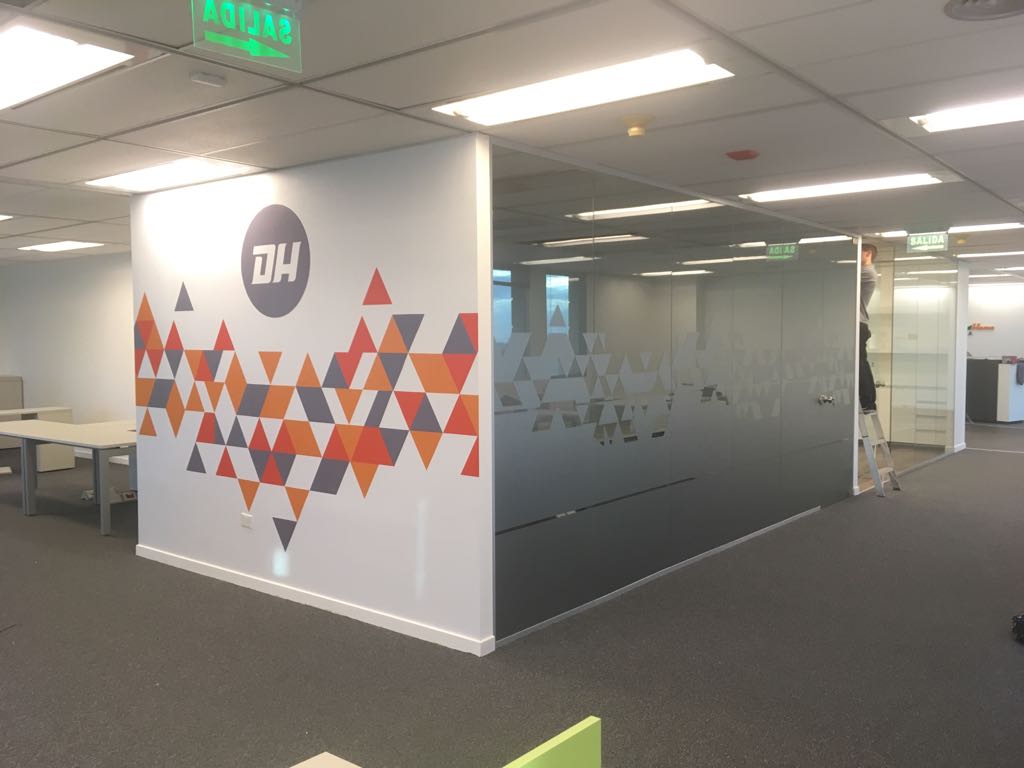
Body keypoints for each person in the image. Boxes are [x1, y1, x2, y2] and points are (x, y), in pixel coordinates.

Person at [859, 243, 878, 412]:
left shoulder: (866, 272)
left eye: (858, 251)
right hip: (858, 323)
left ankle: (867, 400)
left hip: (858, 324)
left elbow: (842, 277)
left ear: (868, 253)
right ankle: (867, 400)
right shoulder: (864, 272)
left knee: (859, 362)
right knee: (860, 361)